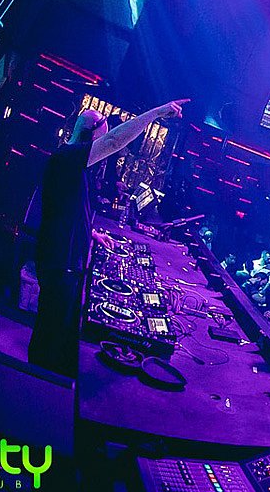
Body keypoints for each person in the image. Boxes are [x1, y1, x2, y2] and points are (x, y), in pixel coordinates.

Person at [28, 98, 187, 375]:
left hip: (64, 257)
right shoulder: (68, 158)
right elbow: (114, 141)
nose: (108, 134)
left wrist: (92, 234)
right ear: (93, 130)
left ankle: (48, 376)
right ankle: (38, 381)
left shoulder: (73, 164)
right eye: (104, 127)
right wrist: (156, 113)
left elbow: (67, 208)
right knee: (50, 329)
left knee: (59, 327)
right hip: (59, 260)